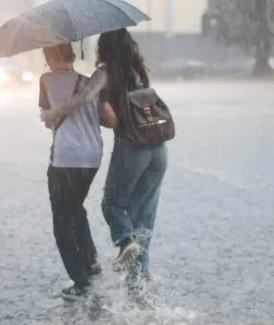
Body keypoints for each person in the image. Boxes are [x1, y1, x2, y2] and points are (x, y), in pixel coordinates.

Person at [41, 29, 168, 298]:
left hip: (134, 147)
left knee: (111, 203)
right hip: (159, 148)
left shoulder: (105, 73)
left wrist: (56, 112)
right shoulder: (138, 72)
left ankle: (123, 243)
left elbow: (90, 103)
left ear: (105, 49)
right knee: (142, 214)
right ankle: (138, 280)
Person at [39, 43, 117, 301]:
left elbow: (46, 118)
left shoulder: (46, 81)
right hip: (92, 157)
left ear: (49, 57)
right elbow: (102, 117)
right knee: (76, 208)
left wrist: (51, 115)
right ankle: (92, 265)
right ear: (72, 55)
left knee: (61, 219)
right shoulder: (88, 82)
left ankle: (80, 281)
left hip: (66, 159)